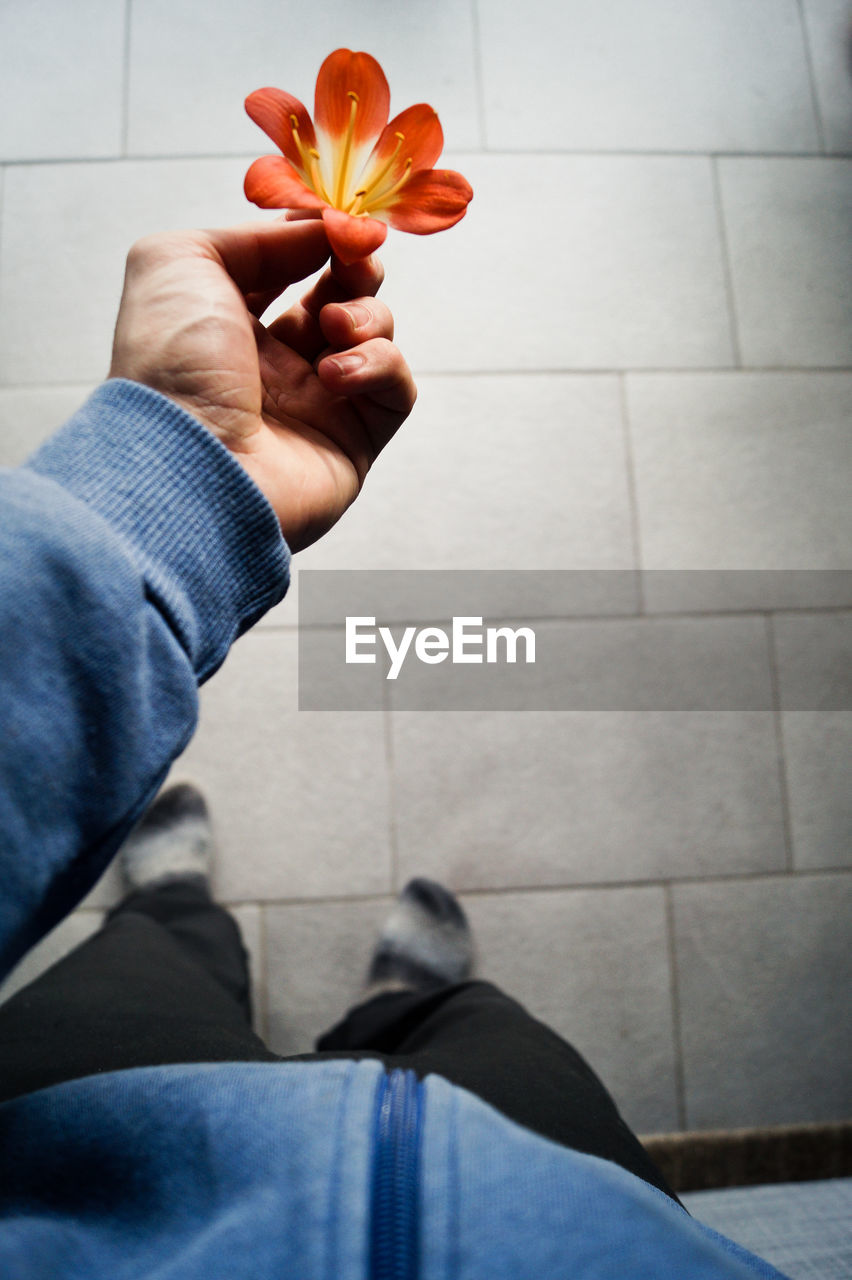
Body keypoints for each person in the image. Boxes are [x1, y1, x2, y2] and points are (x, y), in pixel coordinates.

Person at [0, 217, 786, 1278]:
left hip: (92, 1168)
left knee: (138, 963)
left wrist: (174, 474)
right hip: (565, 1209)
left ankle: (175, 917)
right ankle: (395, 1002)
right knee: (477, 1015)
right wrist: (188, 467)